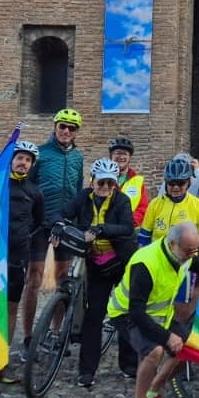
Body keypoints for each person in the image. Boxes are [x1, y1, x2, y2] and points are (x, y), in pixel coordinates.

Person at [106, 221, 199, 398]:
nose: (191, 254)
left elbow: (193, 262)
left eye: (194, 250)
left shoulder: (183, 254)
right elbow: (136, 312)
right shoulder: (146, 263)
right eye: (188, 250)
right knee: (154, 352)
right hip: (126, 313)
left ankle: (153, 393)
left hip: (159, 315)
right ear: (172, 244)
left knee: (190, 347)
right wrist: (166, 337)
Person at [60, 158, 138, 386]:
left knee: (125, 313)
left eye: (110, 184)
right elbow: (63, 212)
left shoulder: (121, 201)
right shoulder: (84, 197)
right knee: (94, 315)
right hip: (96, 264)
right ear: (92, 181)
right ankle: (87, 370)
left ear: (115, 185)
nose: (105, 187)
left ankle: (130, 364)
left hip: (121, 262)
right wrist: (57, 224)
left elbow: (127, 227)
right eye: (101, 182)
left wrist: (101, 229)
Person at [24, 109, 88, 351]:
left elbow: (78, 189)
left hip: (65, 225)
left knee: (63, 279)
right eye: (63, 126)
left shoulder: (78, 158)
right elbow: (29, 187)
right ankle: (29, 336)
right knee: (33, 279)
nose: (66, 131)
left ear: (76, 132)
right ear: (55, 126)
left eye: (72, 128)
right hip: (40, 224)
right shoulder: (40, 154)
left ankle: (53, 331)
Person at [0, 140, 46, 380]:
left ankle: (1, 360)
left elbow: (39, 223)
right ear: (11, 160)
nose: (23, 162)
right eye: (20, 158)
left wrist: (25, 239)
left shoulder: (34, 192)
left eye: (28, 160)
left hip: (17, 258)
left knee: (10, 308)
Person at [140, 156, 199, 248]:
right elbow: (144, 236)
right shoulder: (155, 204)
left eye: (181, 183)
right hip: (158, 257)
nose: (176, 187)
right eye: (171, 183)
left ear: (189, 183)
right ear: (165, 182)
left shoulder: (198, 205)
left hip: (185, 258)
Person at [106, 137, 150, 227]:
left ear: (129, 157)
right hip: (105, 227)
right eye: (118, 153)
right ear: (111, 156)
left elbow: (143, 207)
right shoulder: (100, 179)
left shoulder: (138, 181)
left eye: (125, 154)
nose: (121, 157)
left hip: (128, 229)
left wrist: (129, 221)